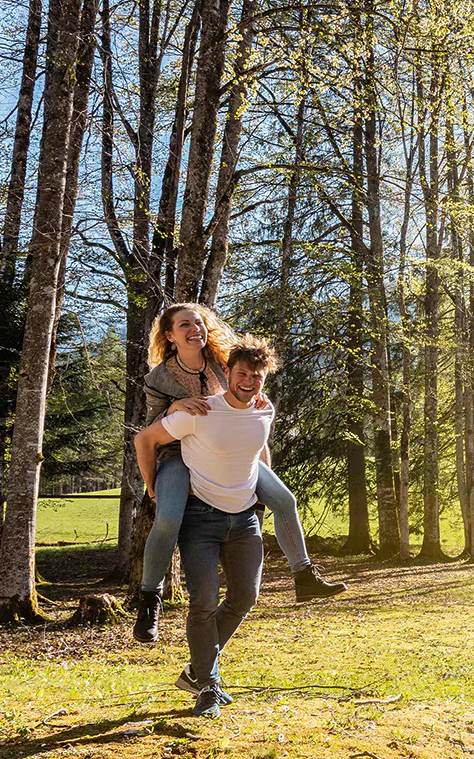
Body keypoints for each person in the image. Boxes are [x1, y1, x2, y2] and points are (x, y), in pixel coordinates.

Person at [133, 303, 345, 645]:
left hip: (230, 455)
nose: (194, 329)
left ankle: (304, 575)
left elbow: (245, 389)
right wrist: (153, 483)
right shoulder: (159, 378)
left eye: (199, 322)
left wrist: (254, 402)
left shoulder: (222, 362)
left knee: (284, 500)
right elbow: (150, 432)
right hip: (178, 457)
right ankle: (149, 600)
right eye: (185, 324)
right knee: (169, 519)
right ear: (170, 335)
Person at [134, 335, 280, 717]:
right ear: (228, 373)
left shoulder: (262, 409)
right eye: (242, 373)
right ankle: (208, 685)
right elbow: (146, 438)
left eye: (256, 376)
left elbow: (256, 446)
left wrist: (264, 482)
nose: (249, 381)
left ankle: (197, 671)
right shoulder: (197, 409)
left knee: (245, 597)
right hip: (198, 512)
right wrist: (152, 485)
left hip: (245, 517)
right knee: (202, 603)